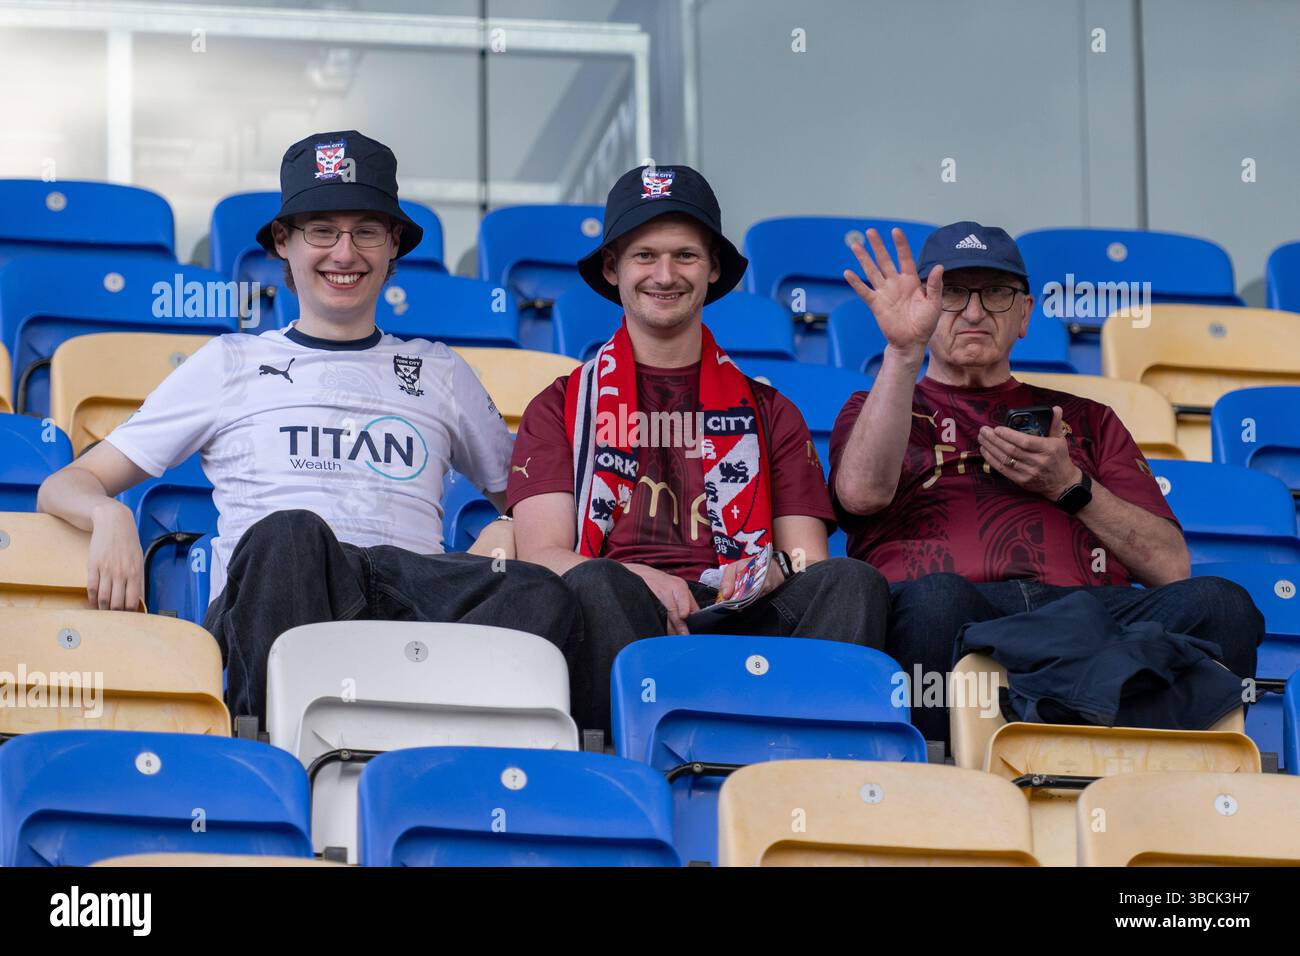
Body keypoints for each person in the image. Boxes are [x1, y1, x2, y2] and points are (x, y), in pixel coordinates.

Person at [37, 130, 578, 723]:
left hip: (408, 603)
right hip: (281, 589)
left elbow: (532, 511)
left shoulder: (439, 370)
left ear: (393, 244)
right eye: (321, 230)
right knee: (288, 535)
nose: (344, 254)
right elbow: (64, 484)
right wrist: (112, 514)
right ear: (283, 243)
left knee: (540, 592)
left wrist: (503, 526)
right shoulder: (230, 363)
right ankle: (278, 743)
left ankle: (460, 758)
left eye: (366, 231)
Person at [828, 221, 1261, 744]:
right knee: (936, 600)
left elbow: (1171, 567)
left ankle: (1174, 777)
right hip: (953, 612)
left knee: (1223, 604)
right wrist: (902, 353)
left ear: (1026, 315)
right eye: (952, 293)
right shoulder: (879, 406)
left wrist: (1070, 485)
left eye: (995, 293)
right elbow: (860, 495)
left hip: (1085, 614)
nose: (972, 312)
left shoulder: (1090, 419)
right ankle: (940, 773)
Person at [507, 164, 889, 735]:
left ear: (712, 269)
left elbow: (810, 558)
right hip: (623, 615)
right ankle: (625, 762)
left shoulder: (770, 410)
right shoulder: (561, 405)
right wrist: (638, 576)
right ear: (613, 268)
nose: (665, 274)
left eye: (685, 255)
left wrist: (772, 572)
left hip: (743, 615)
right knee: (594, 583)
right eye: (645, 256)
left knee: (853, 582)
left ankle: (815, 761)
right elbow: (543, 557)